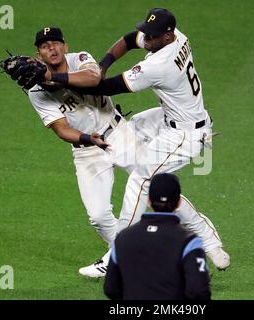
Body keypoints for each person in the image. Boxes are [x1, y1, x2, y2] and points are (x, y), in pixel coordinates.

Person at [1, 26, 228, 278]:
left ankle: (205, 238)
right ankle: (127, 255)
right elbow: (61, 129)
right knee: (98, 216)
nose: (51, 48)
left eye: (55, 43)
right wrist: (87, 138)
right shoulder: (35, 90)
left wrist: (51, 78)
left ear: (65, 46)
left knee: (153, 188)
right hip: (87, 151)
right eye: (45, 46)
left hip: (120, 135)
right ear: (39, 53)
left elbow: (93, 81)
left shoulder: (81, 59)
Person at [76, 8, 231, 272]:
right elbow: (128, 39)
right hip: (170, 116)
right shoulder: (175, 36)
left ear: (168, 36)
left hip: (185, 134)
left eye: (152, 35)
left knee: (142, 179)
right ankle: (207, 237)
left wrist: (54, 80)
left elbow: (106, 87)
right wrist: (101, 65)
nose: (146, 38)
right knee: (124, 132)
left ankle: (118, 252)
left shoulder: (160, 65)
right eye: (146, 31)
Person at [104, 173, 211, 300]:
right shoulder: (189, 242)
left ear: (148, 201)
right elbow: (198, 291)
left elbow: (111, 288)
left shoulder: (123, 239)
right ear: (178, 202)